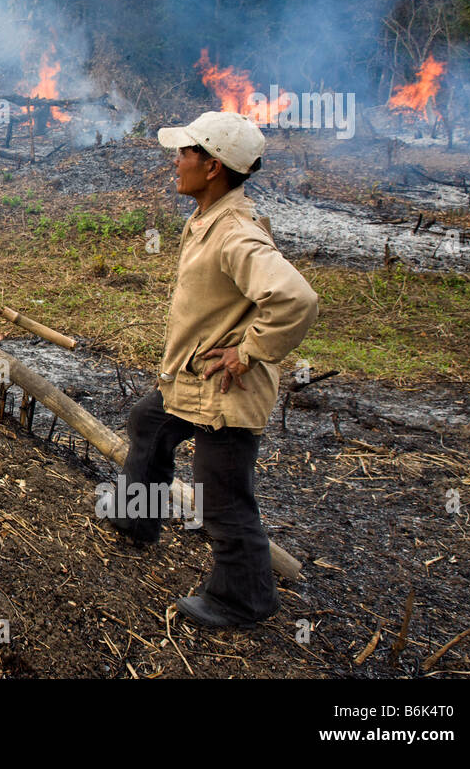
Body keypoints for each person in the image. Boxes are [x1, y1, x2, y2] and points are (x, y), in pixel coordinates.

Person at [103, 111, 319, 628]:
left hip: (225, 389)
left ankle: (243, 599)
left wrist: (247, 351)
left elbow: (296, 298)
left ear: (214, 166)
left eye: (186, 153)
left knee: (221, 496)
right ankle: (137, 521)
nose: (176, 161)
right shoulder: (209, 217)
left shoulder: (235, 232)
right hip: (191, 380)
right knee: (149, 422)